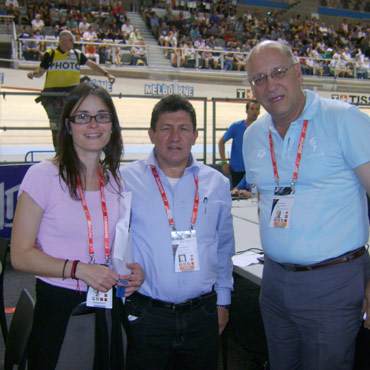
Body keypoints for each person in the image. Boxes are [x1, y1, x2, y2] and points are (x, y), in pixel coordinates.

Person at [243, 40, 370, 370]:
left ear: (298, 72)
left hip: (333, 281)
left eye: (278, 72)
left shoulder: (343, 119)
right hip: (273, 281)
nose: (271, 85)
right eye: (259, 79)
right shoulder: (253, 136)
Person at [11, 82, 144, 370]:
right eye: (82, 116)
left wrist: (131, 273)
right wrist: (80, 269)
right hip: (61, 309)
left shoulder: (116, 182)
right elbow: (20, 255)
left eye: (102, 116)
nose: (93, 124)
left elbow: (114, 245)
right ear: (68, 126)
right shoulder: (43, 176)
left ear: (112, 126)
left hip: (109, 305)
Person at [121, 95, 234, 370]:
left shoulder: (217, 183)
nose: (175, 137)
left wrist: (223, 300)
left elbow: (224, 246)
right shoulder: (124, 180)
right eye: (166, 128)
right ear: (151, 134)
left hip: (203, 314)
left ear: (195, 135)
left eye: (183, 128)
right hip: (146, 315)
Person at [27, 30, 115, 150]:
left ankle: (73, 151)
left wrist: (106, 73)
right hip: (53, 96)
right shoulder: (50, 54)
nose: (73, 43)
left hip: (72, 96)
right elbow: (40, 72)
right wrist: (32, 74)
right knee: (56, 126)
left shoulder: (77, 54)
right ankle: (59, 153)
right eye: (70, 40)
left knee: (73, 124)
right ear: (62, 40)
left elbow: (91, 64)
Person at [218, 99, 260, 188]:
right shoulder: (236, 126)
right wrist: (224, 162)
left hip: (254, 169)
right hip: (238, 169)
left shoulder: (261, 128)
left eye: (257, 109)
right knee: (238, 195)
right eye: (252, 109)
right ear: (246, 111)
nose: (255, 112)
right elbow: (221, 142)